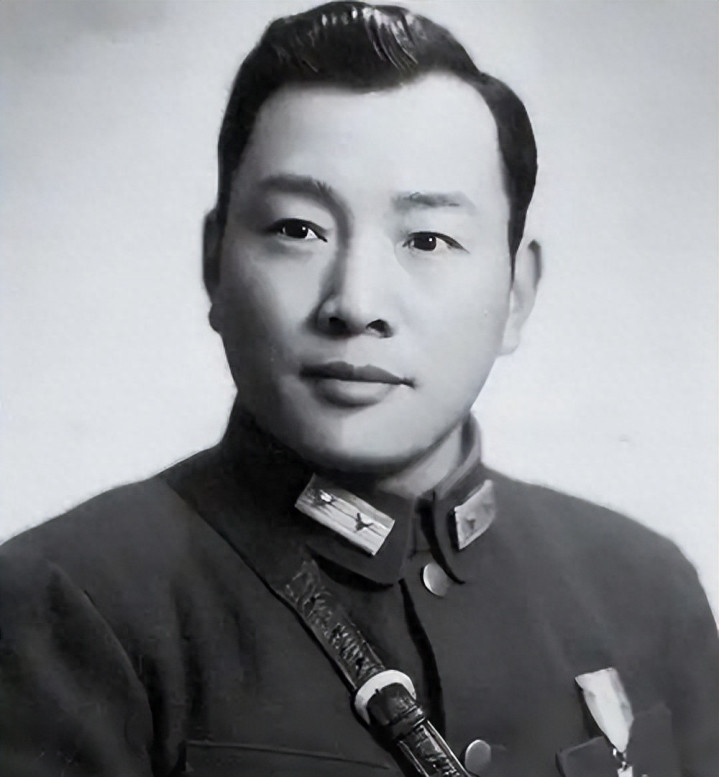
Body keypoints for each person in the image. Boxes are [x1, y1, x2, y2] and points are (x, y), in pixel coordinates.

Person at [1, 3, 716, 776]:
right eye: (298, 230)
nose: (356, 301)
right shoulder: (68, 603)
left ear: (516, 293)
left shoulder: (646, 590)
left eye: (427, 239)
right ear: (214, 262)